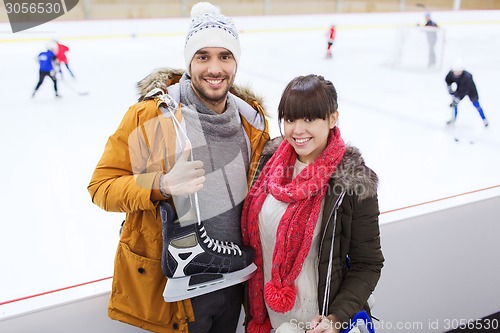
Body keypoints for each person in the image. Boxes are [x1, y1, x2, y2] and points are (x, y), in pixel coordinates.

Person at [87, 2, 269, 333]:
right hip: (180, 293)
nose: (215, 68)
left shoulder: (251, 123)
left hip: (235, 279)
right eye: (203, 57)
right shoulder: (152, 116)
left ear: (236, 63)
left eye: (224, 56)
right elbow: (101, 188)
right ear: (189, 62)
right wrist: (163, 184)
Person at [241, 75, 384, 333]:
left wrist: (336, 318)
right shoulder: (269, 164)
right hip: (267, 317)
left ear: (332, 118)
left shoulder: (353, 182)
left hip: (317, 323)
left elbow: (368, 264)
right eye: (290, 118)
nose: (297, 130)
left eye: (309, 119)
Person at [445, 60, 489, 127]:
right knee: (455, 106)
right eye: (455, 71)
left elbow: (465, 90)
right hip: (460, 89)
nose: (457, 73)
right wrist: (449, 88)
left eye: (458, 71)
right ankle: (453, 119)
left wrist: (458, 98)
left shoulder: (467, 77)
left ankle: (484, 119)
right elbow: (448, 79)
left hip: (471, 91)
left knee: (476, 104)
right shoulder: (451, 74)